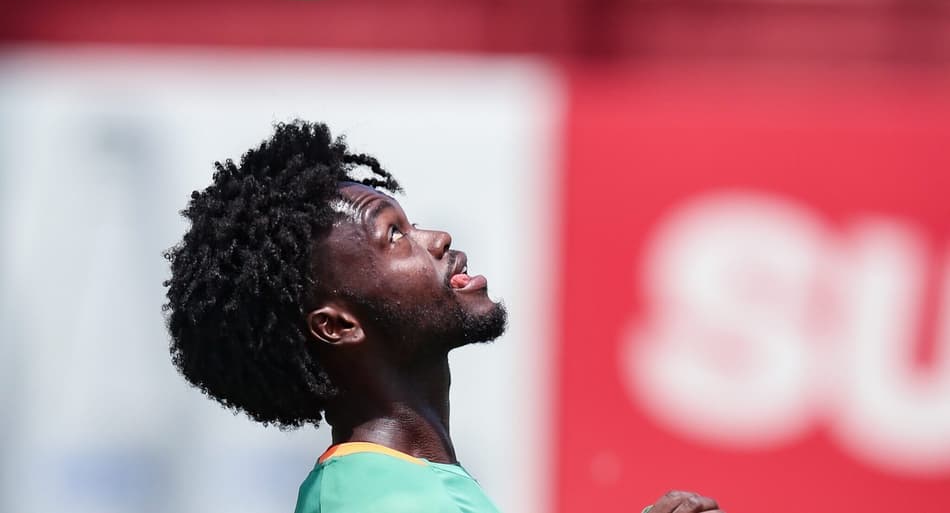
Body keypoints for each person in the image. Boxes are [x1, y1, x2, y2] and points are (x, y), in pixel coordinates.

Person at [163, 121, 725, 513]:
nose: (436, 238)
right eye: (394, 236)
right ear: (338, 326)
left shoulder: (398, 482)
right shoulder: (373, 497)